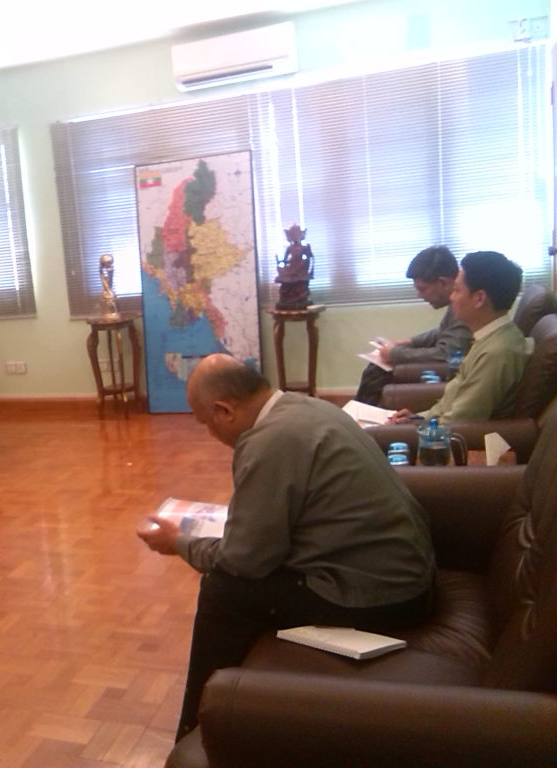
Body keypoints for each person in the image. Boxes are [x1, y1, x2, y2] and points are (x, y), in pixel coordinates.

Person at [138, 355, 435, 741]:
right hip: (404, 575)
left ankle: (199, 730)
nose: (210, 433)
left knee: (223, 589)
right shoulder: (307, 407)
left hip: (382, 595)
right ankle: (244, 705)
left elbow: (243, 561)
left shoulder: (269, 441)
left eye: (205, 422)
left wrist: (179, 543)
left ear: (224, 410)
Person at [389, 251, 529, 424]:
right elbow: (452, 403)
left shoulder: (497, 353)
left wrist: (417, 425)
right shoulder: (487, 337)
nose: (451, 297)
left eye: (456, 290)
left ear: (479, 298)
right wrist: (418, 417)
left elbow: (462, 419)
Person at [355, 246, 472, 405]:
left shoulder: (465, 305)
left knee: (377, 371)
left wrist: (396, 353)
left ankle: (362, 415)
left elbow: (446, 353)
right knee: (376, 368)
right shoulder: (456, 303)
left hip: (447, 370)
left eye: (422, 289)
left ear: (443, 282)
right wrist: (410, 342)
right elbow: (443, 331)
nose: (419, 295)